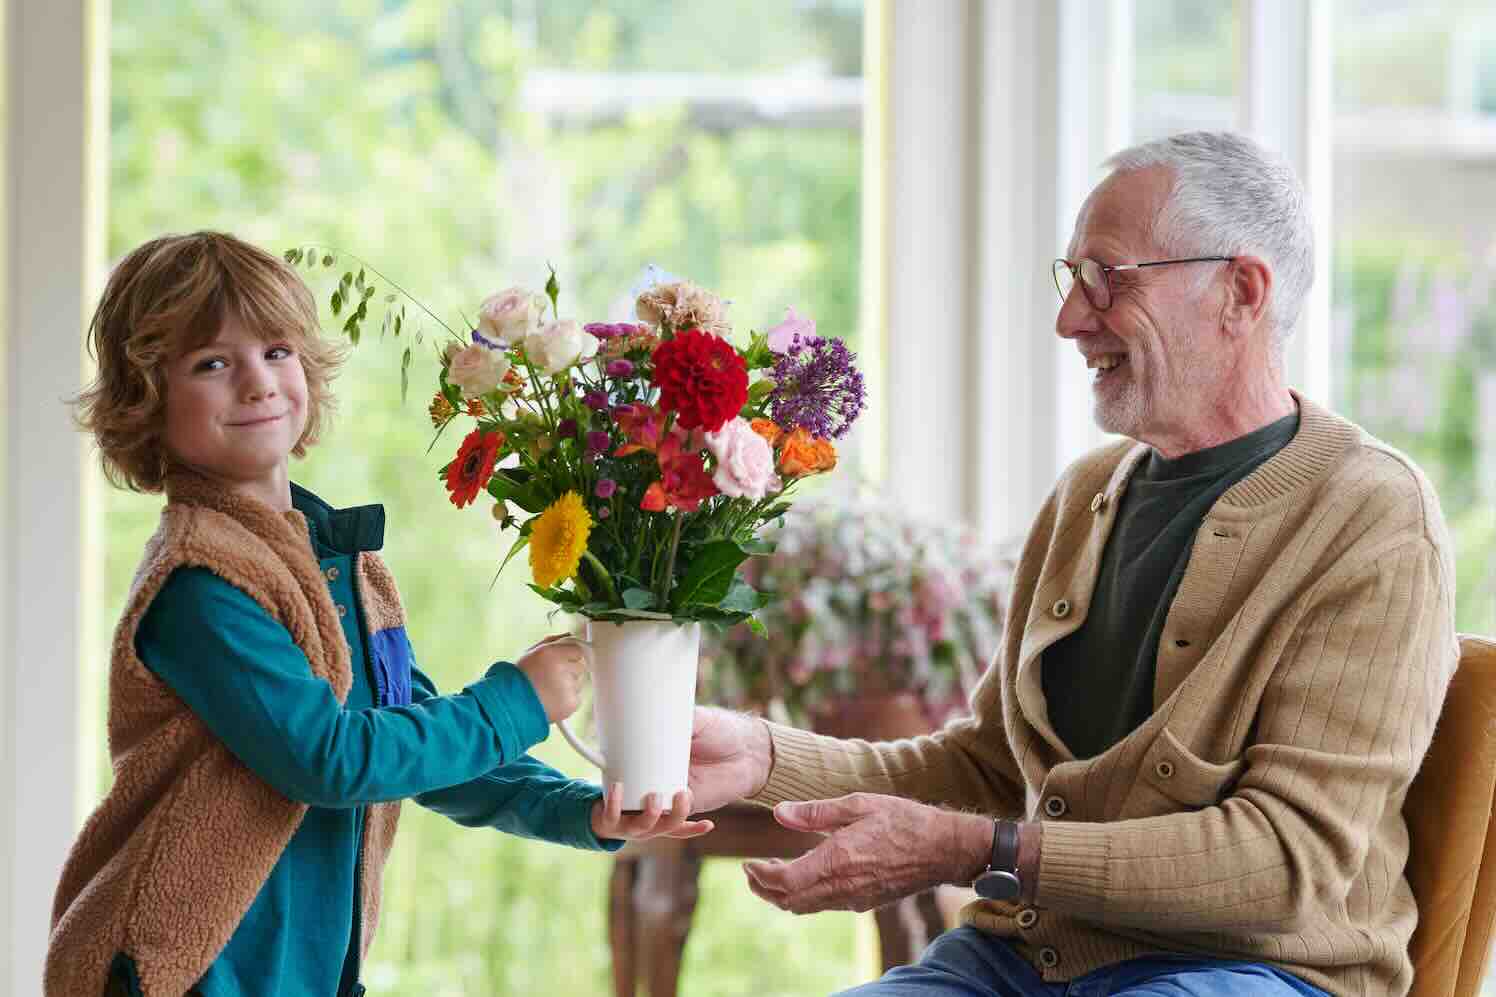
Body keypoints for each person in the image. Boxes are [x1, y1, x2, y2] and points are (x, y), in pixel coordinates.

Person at [686, 131, 1458, 997]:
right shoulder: (1087, 495)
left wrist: (978, 851)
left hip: (1258, 972)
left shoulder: (1373, 518)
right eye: (1071, 278)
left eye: (1109, 278)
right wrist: (760, 757)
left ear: (1241, 291)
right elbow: (987, 771)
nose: (1070, 318)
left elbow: (1286, 862)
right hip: (1018, 962)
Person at [47, 231, 713, 997]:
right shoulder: (199, 587)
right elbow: (332, 759)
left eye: (277, 351)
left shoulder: (337, 560)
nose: (258, 383)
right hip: (189, 973)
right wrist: (518, 700)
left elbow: (409, 738)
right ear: (148, 402)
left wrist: (580, 811)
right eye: (212, 363)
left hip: (311, 975)